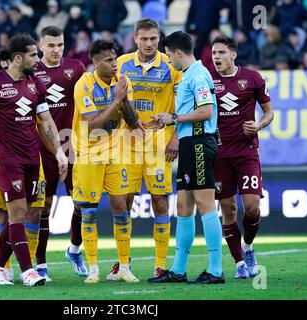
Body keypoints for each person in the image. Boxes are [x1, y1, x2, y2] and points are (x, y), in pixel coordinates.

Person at [0, 34, 68, 286]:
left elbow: (46, 121)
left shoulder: (36, 84)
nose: (37, 59)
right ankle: (28, 271)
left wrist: (58, 152)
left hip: (32, 158)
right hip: (7, 159)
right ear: (18, 58)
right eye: (32, 55)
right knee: (16, 215)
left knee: (24, 212)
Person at [148, 31, 224, 284]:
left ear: (179, 53)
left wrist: (175, 119)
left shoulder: (199, 75)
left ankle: (215, 270)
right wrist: (169, 119)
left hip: (201, 143)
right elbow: (188, 112)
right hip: (190, 144)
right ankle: (179, 270)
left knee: (205, 204)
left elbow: (205, 111)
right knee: (183, 207)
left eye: (169, 56)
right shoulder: (188, 75)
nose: (169, 60)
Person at [108, 18, 182, 280]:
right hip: (126, 145)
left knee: (160, 202)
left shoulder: (172, 66)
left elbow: (183, 105)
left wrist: (176, 139)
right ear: (135, 38)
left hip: (160, 146)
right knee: (123, 202)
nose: (149, 43)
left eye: (153, 38)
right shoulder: (122, 65)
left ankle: (160, 264)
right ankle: (122, 263)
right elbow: (112, 101)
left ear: (159, 38)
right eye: (144, 38)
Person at [72, 40, 139, 284]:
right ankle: (92, 268)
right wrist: (116, 99)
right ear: (96, 62)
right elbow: (93, 125)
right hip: (89, 155)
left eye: (115, 59)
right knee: (88, 212)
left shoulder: (122, 82)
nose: (115, 64)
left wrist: (124, 99)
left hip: (115, 155)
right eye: (109, 60)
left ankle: (123, 266)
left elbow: (131, 121)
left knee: (121, 209)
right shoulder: (84, 85)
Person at [209, 36, 274, 278]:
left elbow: (269, 112)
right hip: (219, 155)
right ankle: (239, 263)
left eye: (222, 52)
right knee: (228, 210)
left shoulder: (252, 78)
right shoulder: (207, 80)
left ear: (233, 54)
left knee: (252, 207)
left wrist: (258, 126)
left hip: (246, 153)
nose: (217, 57)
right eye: (214, 52)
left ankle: (248, 246)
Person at [34, 26, 87, 280]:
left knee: (81, 202)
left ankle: (74, 250)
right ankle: (40, 263)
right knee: (43, 206)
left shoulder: (76, 68)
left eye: (60, 45)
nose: (56, 50)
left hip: (72, 146)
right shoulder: (31, 71)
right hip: (42, 150)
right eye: (51, 45)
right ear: (40, 45)